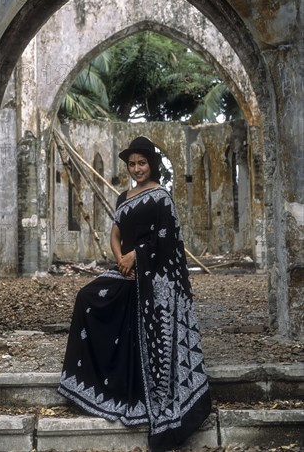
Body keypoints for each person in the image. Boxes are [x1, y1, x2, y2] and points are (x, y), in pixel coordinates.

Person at [58, 136, 211, 451]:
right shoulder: (123, 197)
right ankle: (97, 386)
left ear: (152, 165)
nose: (137, 168)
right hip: (126, 272)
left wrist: (136, 256)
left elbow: (168, 242)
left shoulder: (161, 198)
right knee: (87, 297)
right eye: (132, 164)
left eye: (142, 163)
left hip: (155, 277)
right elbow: (114, 233)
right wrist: (120, 258)